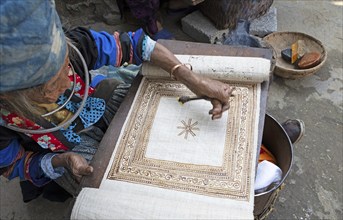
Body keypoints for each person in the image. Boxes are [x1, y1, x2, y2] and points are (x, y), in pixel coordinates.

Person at [0, 0, 234, 201]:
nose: (65, 82)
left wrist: (194, 81)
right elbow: (16, 164)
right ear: (9, 96)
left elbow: (138, 45)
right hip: (61, 146)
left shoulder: (76, 46)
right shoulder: (5, 120)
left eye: (65, 68)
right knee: (115, 193)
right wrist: (62, 161)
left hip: (98, 97)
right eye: (48, 87)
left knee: (168, 126)